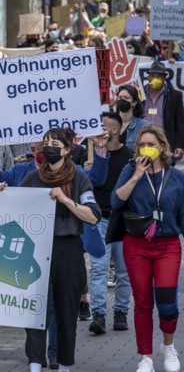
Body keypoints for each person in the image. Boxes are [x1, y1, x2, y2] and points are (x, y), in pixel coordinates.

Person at [0, 128, 101, 372]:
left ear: (67, 149)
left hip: (68, 250)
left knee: (66, 310)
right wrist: (1, 192)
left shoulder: (79, 178)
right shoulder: (33, 178)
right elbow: (14, 205)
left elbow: (92, 216)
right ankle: (34, 362)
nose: (49, 147)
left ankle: (64, 363)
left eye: (55, 143)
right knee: (35, 308)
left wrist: (65, 200)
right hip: (36, 250)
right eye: (46, 143)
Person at [112, 124, 184, 372]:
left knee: (167, 303)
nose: (146, 148)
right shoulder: (130, 170)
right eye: (142, 144)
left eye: (151, 144)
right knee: (142, 302)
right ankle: (146, 356)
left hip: (168, 244)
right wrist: (136, 176)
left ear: (162, 147)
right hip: (137, 244)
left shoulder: (176, 177)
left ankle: (169, 344)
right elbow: (116, 200)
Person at [88, 113, 133, 335]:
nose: (98, 131)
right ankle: (98, 314)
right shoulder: (94, 154)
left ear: (114, 131)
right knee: (98, 269)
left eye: (103, 127)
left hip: (123, 220)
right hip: (100, 219)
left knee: (124, 271)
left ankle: (121, 312)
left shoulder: (130, 156)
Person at [142, 61, 184, 160]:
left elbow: (180, 122)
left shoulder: (174, 95)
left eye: (159, 76)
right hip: (143, 143)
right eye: (152, 75)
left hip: (165, 143)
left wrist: (179, 145)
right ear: (148, 77)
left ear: (164, 78)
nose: (155, 79)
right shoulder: (139, 93)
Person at [115, 84, 149, 149]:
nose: (122, 100)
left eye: (126, 98)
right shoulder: (109, 123)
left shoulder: (143, 126)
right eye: (120, 98)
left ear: (134, 102)